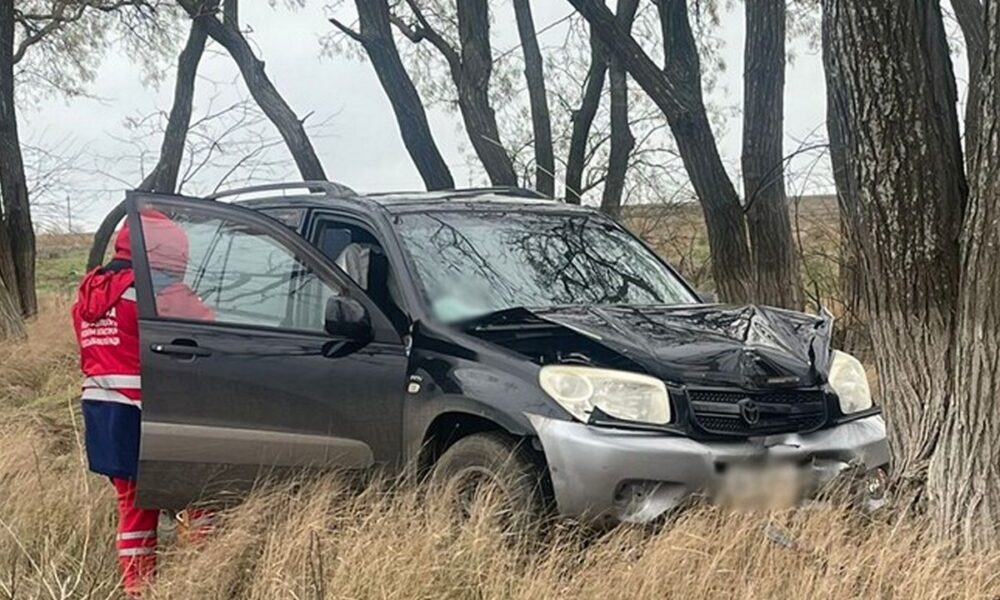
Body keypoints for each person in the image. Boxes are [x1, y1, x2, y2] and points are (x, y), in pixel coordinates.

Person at [72, 210, 213, 596]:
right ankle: (208, 576)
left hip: (103, 413)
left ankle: (139, 590)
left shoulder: (89, 293)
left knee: (133, 509)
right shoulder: (157, 292)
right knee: (200, 494)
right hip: (150, 414)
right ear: (164, 251)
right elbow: (209, 328)